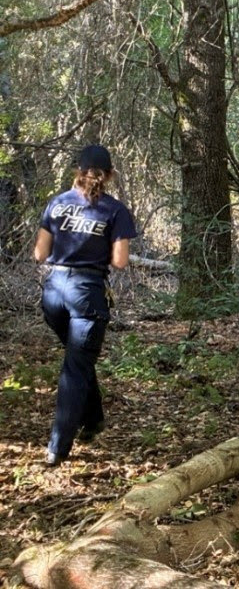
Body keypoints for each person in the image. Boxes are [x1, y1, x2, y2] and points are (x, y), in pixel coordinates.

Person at [33, 144, 137, 466]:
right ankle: (57, 448)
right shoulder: (115, 210)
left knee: (78, 359)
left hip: (53, 294)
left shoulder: (57, 203)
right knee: (76, 367)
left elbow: (39, 254)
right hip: (87, 294)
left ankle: (93, 421)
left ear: (78, 171)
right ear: (108, 175)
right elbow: (120, 261)